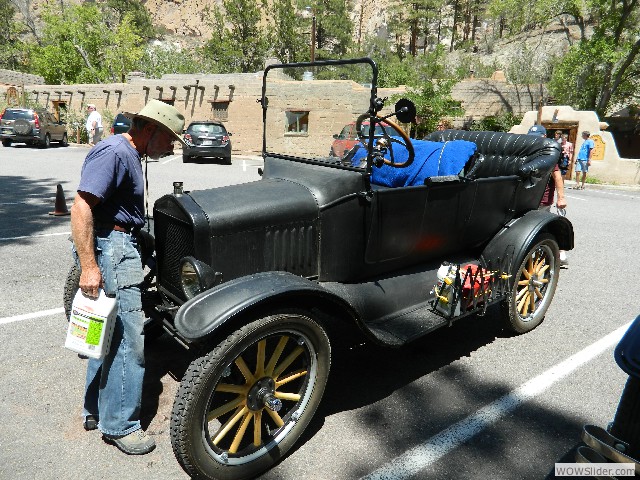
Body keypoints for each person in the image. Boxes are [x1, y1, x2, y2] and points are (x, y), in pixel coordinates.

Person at [70, 99, 185, 455]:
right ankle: (121, 426)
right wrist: (90, 267)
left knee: (103, 330)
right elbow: (81, 206)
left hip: (118, 242)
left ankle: (95, 410)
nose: (171, 147)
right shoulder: (116, 153)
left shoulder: (128, 153)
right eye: (169, 139)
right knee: (128, 340)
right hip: (113, 250)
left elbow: (114, 210)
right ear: (150, 130)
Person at [527, 124, 569, 266]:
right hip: (528, 198)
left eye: (537, 138)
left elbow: (557, 177)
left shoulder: (549, 155)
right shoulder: (528, 151)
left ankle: (558, 251)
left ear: (544, 137)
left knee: (542, 227)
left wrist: (561, 197)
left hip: (543, 199)